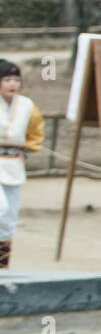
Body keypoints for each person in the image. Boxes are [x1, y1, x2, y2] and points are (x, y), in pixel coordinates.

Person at [0, 60, 44, 270]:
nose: (12, 84)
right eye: (7, 79)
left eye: (16, 79)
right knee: (0, 208)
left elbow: (35, 131)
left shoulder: (26, 105)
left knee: (8, 221)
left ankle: (2, 266)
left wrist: (26, 150)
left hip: (13, 165)